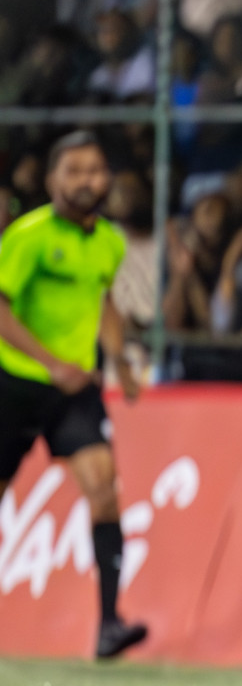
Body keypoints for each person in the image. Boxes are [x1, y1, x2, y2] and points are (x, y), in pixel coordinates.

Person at [0, 131, 148, 658]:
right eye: (76, 170)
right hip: (13, 381)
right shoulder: (28, 236)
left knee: (104, 487)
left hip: (74, 388)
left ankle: (109, 624)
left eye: (96, 169)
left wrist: (121, 362)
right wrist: (49, 363)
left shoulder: (108, 241)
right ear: (52, 180)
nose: (89, 180)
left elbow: (103, 302)